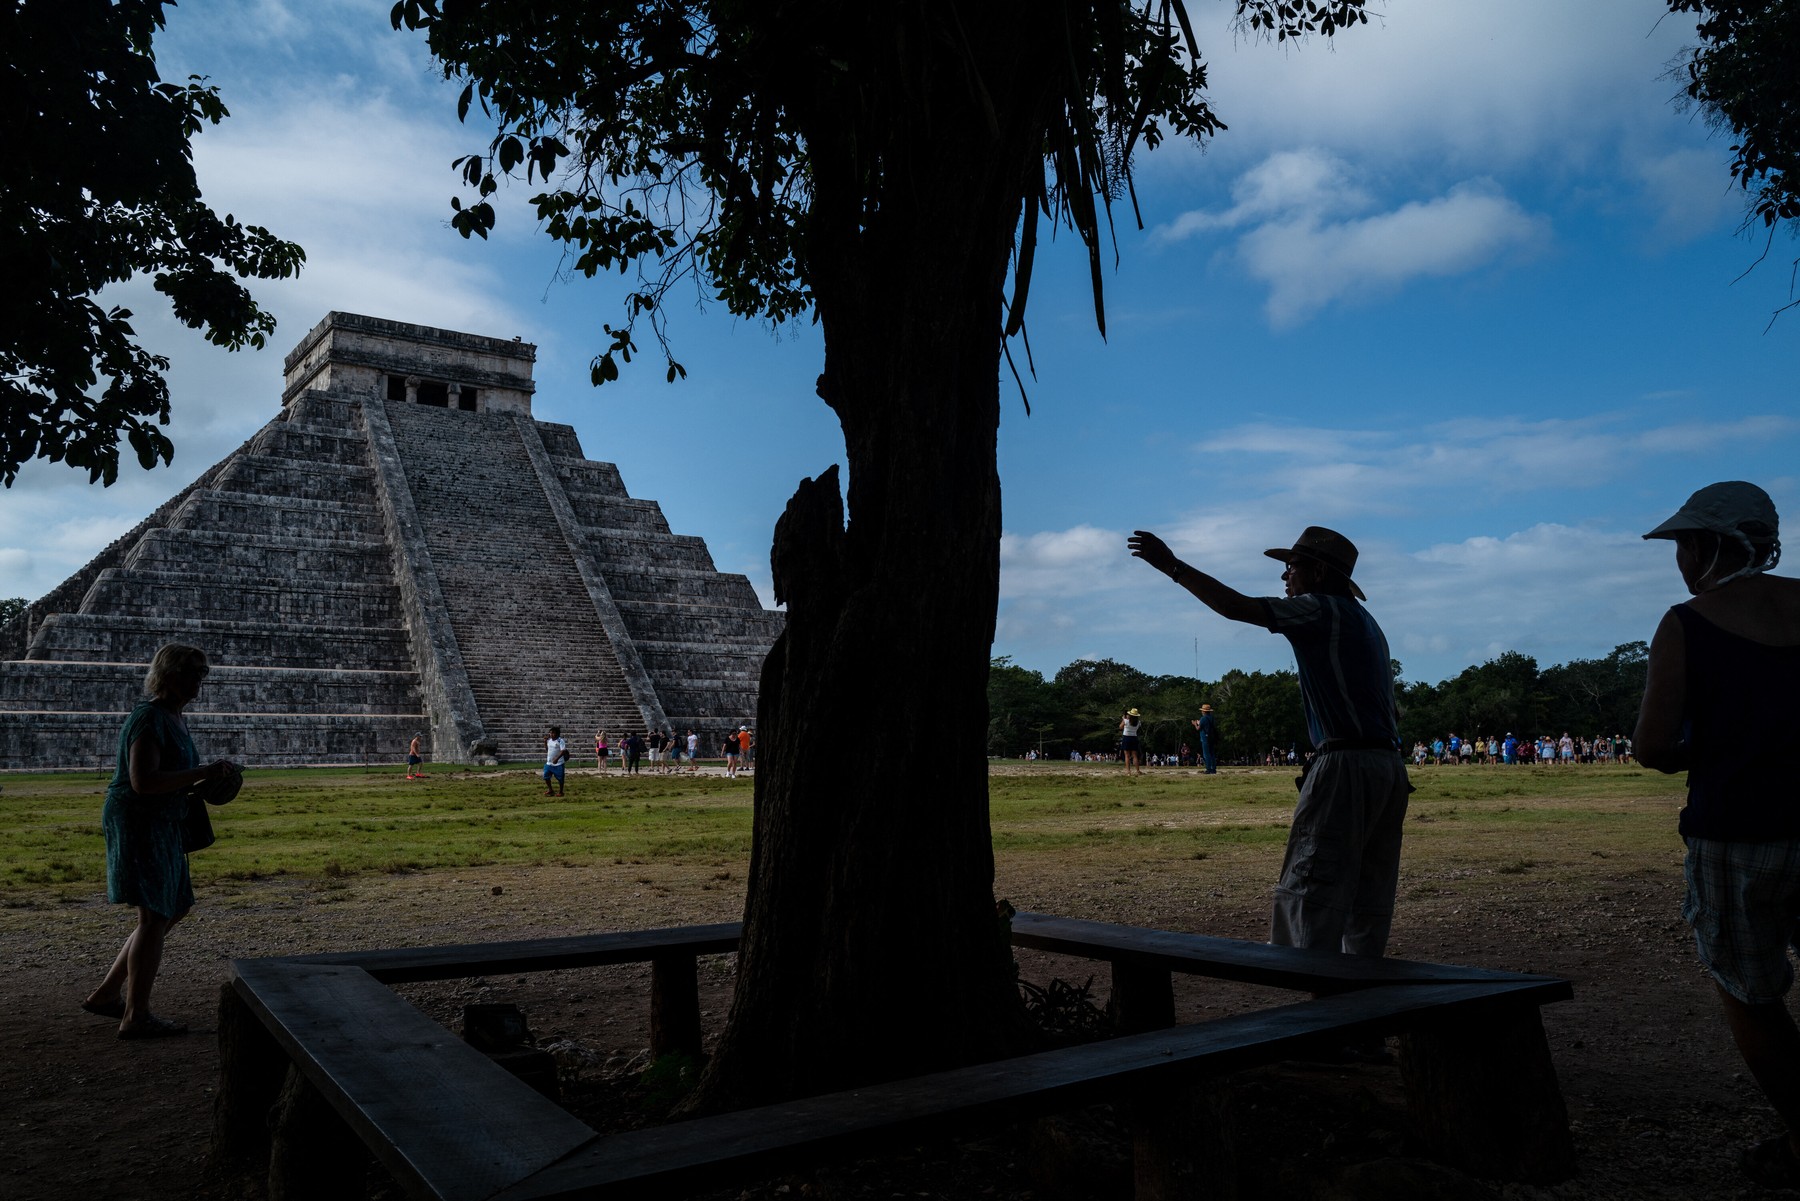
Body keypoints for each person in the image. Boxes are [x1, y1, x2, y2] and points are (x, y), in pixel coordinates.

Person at [1130, 525, 1410, 957]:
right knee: (1368, 899)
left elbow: (1235, 607)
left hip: (1345, 765)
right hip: (1388, 767)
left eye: (1292, 566)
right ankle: (1361, 985)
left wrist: (1171, 565)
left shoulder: (1320, 609)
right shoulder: (1367, 623)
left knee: (1310, 891)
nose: (1284, 576)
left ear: (1318, 573)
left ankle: (1307, 985)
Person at [1634, 481, 1800, 1188]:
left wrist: (1714, 748)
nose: (1680, 561)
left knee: (1751, 994)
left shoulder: (1687, 623)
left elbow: (1651, 745)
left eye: (1682, 546)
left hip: (1737, 834)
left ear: (1706, 546)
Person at [83, 643, 239, 1039]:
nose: (199, 680)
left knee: (173, 907)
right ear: (168, 673)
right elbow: (144, 781)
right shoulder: (150, 718)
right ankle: (136, 1016)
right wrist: (203, 772)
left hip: (164, 820)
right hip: (140, 821)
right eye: (191, 671)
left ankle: (107, 993)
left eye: (203, 672)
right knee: (154, 916)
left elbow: (171, 776)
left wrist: (209, 782)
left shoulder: (175, 718)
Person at [1192, 704, 1218, 774]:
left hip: (1205, 738)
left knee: (1206, 754)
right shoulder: (1211, 718)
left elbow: (1198, 728)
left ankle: (1208, 769)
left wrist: (1195, 724)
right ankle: (1213, 769)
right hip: (1211, 737)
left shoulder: (1203, 718)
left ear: (1204, 711)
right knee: (1212, 753)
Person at [543, 726, 567, 796]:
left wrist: (557, 759)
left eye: (553, 733)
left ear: (557, 734)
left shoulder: (560, 741)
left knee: (560, 778)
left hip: (558, 763)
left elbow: (563, 751)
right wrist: (545, 742)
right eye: (550, 733)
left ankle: (561, 792)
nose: (551, 734)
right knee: (546, 776)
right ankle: (550, 790)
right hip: (549, 762)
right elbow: (547, 749)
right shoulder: (549, 740)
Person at [1119, 708, 1144, 775]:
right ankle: (1138, 770)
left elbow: (1120, 727)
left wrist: (1123, 719)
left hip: (1126, 737)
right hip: (1134, 738)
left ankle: (1128, 771)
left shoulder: (1126, 721)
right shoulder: (1138, 722)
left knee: (1127, 755)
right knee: (1135, 755)